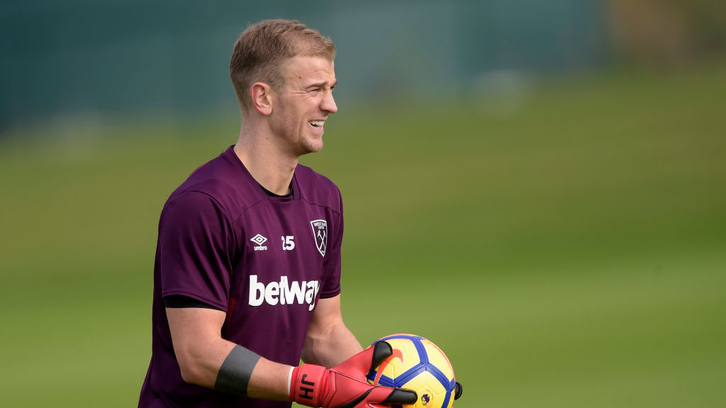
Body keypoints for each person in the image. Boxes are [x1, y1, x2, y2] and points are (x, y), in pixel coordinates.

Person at [138, 19, 459, 408]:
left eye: (331, 89)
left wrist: (379, 393)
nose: (331, 105)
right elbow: (199, 357)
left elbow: (322, 332)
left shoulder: (323, 200)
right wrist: (314, 386)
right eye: (314, 90)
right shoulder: (203, 205)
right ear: (263, 98)